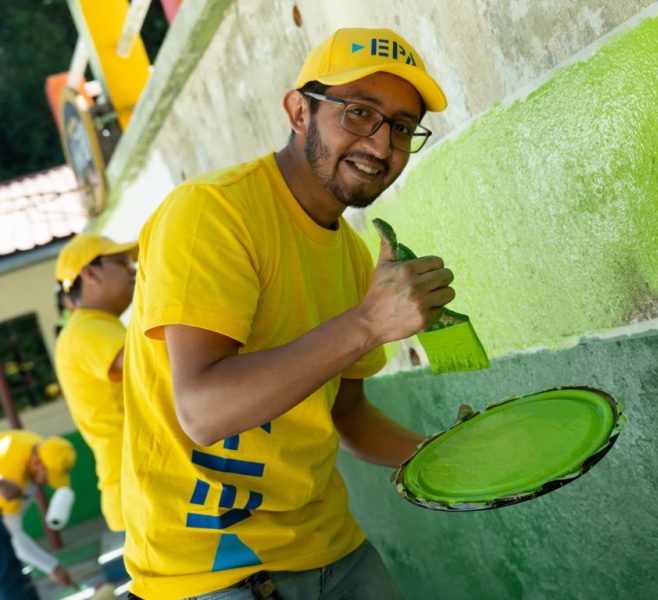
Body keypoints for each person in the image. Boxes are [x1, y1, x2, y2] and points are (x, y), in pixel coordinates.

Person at [121, 27, 452, 600]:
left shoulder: (352, 255)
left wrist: (443, 454)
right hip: (210, 571)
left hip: (333, 549)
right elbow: (203, 409)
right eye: (358, 113)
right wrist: (369, 323)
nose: (380, 146)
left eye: (401, 127)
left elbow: (348, 414)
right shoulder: (212, 214)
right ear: (299, 110)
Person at [54, 234, 138, 534]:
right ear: (90, 274)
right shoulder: (85, 329)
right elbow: (151, 360)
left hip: (138, 488)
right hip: (140, 491)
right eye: (120, 262)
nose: (133, 269)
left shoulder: (98, 327)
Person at [0, 430, 76, 589]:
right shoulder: (13, 478)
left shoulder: (36, 445)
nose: (48, 481)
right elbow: (14, 538)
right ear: (37, 463)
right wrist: (52, 567)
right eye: (49, 475)